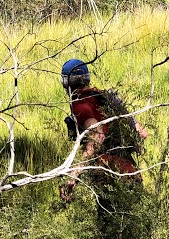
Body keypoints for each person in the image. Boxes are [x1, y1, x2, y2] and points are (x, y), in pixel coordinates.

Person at [60, 58, 147, 198]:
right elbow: (142, 133)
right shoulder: (106, 98)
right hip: (131, 173)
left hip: (110, 175)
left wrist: (73, 175)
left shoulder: (81, 104)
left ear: (66, 83)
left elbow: (97, 136)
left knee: (109, 219)